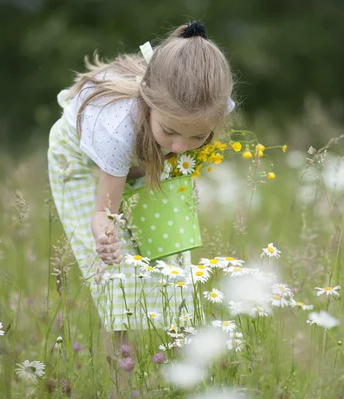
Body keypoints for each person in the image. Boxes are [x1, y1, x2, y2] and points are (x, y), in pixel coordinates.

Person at [47, 21, 235, 394]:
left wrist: (171, 149)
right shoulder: (117, 129)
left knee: (174, 265)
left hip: (141, 157)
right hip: (81, 165)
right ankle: (123, 383)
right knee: (117, 280)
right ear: (149, 104)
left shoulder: (207, 107)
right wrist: (106, 236)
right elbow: (105, 213)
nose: (181, 147)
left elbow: (178, 146)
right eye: (171, 132)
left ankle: (186, 376)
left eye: (196, 136)